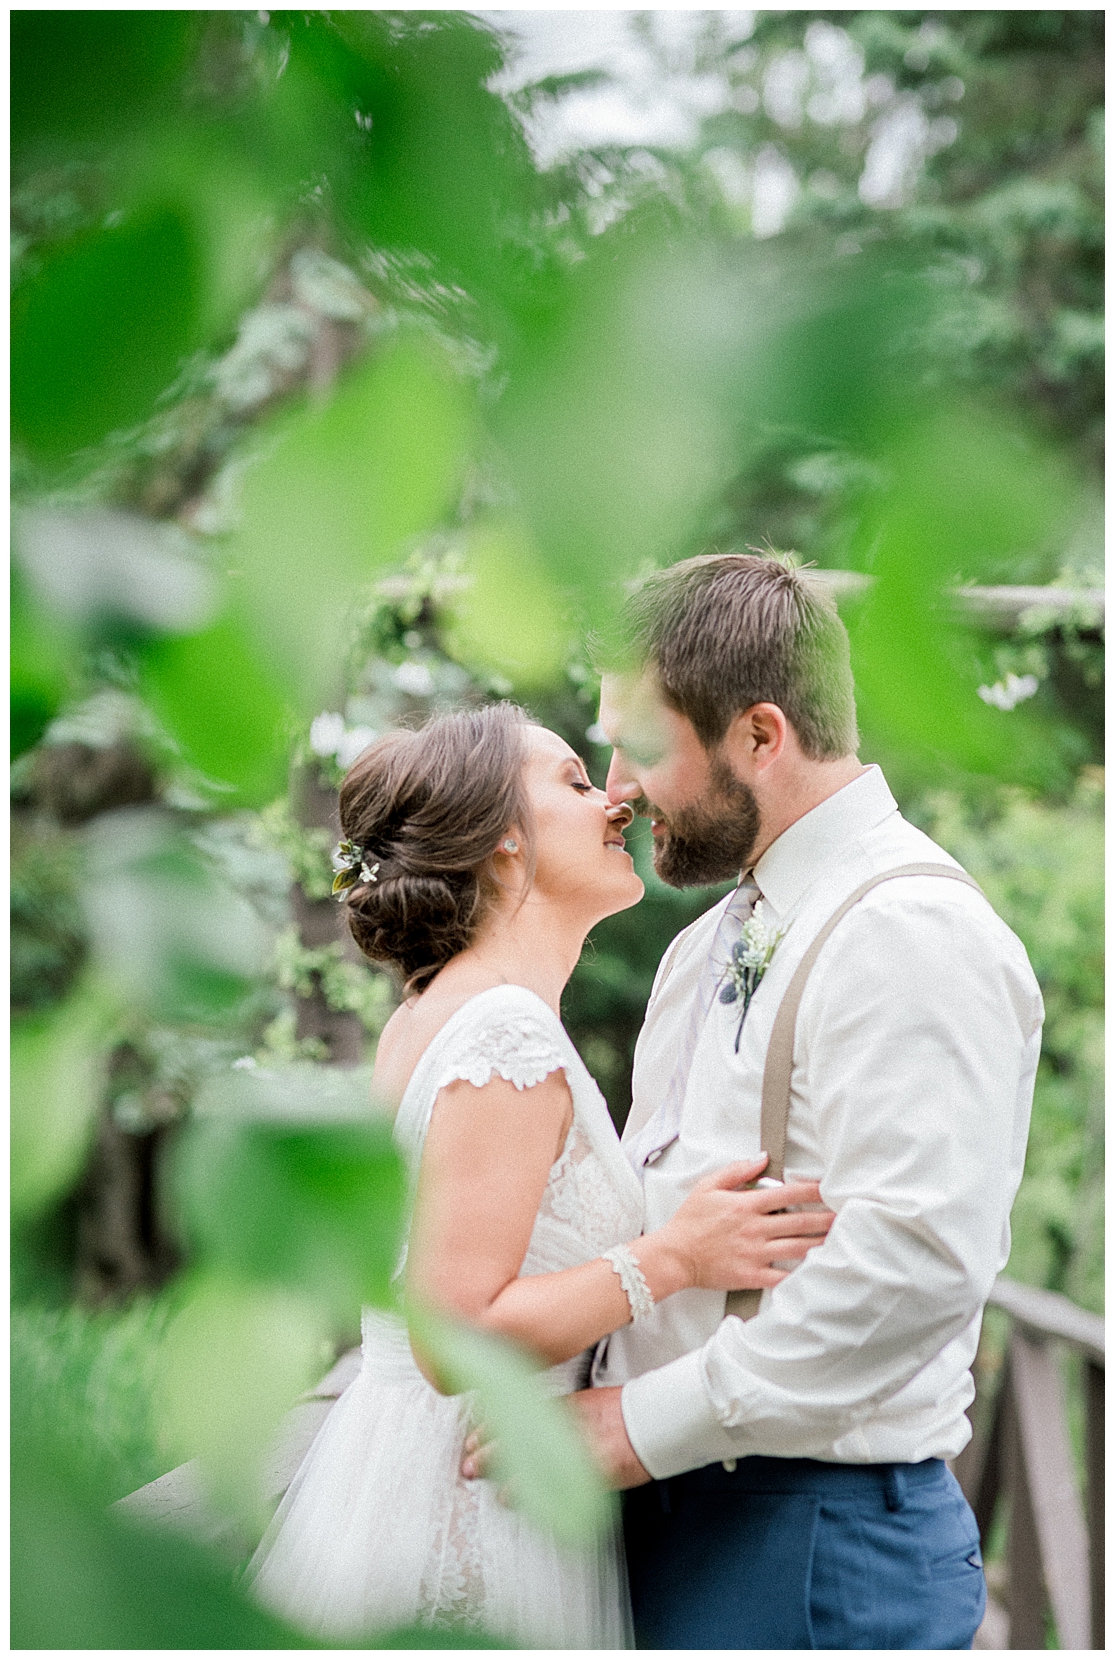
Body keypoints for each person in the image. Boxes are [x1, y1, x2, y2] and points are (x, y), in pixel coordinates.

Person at [503, 552, 1043, 1649]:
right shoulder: (705, 942)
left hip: (808, 1542)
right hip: (668, 1516)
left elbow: (914, 1262)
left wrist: (631, 1428)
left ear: (759, 735)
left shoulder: (912, 933)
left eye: (642, 745)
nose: (614, 786)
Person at [247, 701, 834, 1647]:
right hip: (468, 1504)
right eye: (571, 781)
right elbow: (451, 1335)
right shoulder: (501, 1035)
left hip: (439, 1467)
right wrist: (673, 1258)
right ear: (503, 842)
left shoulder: (442, 1011)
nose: (613, 801)